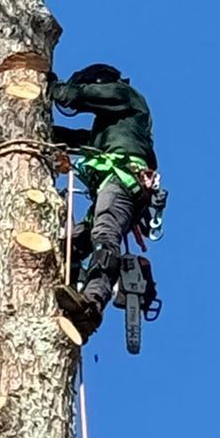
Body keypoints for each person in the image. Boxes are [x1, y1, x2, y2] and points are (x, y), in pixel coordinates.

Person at [50, 63, 157, 335]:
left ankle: (92, 304)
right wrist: (46, 134)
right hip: (114, 189)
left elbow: (74, 96)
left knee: (104, 233)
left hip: (122, 182)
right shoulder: (113, 128)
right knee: (70, 246)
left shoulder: (126, 96)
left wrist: (53, 88)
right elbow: (81, 140)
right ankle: (68, 294)